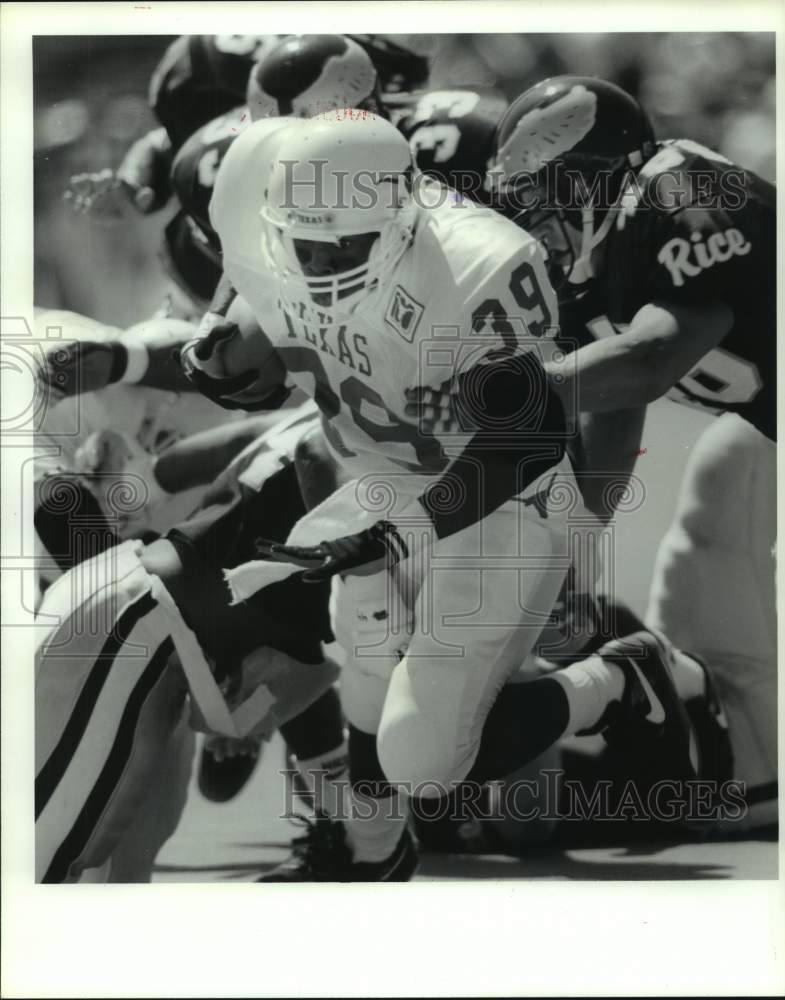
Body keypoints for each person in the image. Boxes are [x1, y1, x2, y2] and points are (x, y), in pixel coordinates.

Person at [183, 111, 699, 880]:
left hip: (497, 503)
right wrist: (219, 337)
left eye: (342, 246)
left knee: (425, 764)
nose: (320, 262)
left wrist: (399, 533)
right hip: (376, 482)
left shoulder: (479, 266)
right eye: (304, 244)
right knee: (361, 671)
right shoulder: (255, 183)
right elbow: (253, 282)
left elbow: (524, 444)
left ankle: (622, 678)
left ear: (399, 217)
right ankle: (373, 857)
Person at [412, 74, 776, 824]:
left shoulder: (679, 191)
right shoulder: (593, 260)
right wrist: (568, 552)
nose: (533, 221)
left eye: (542, 195)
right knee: (708, 540)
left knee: (712, 539)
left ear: (591, 174)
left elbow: (653, 356)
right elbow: (616, 399)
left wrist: (515, 392)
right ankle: (750, 764)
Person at [35, 403, 342, 883]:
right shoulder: (77, 392)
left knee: (120, 869)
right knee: (43, 857)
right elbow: (55, 504)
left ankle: (359, 831)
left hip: (164, 637)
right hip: (126, 620)